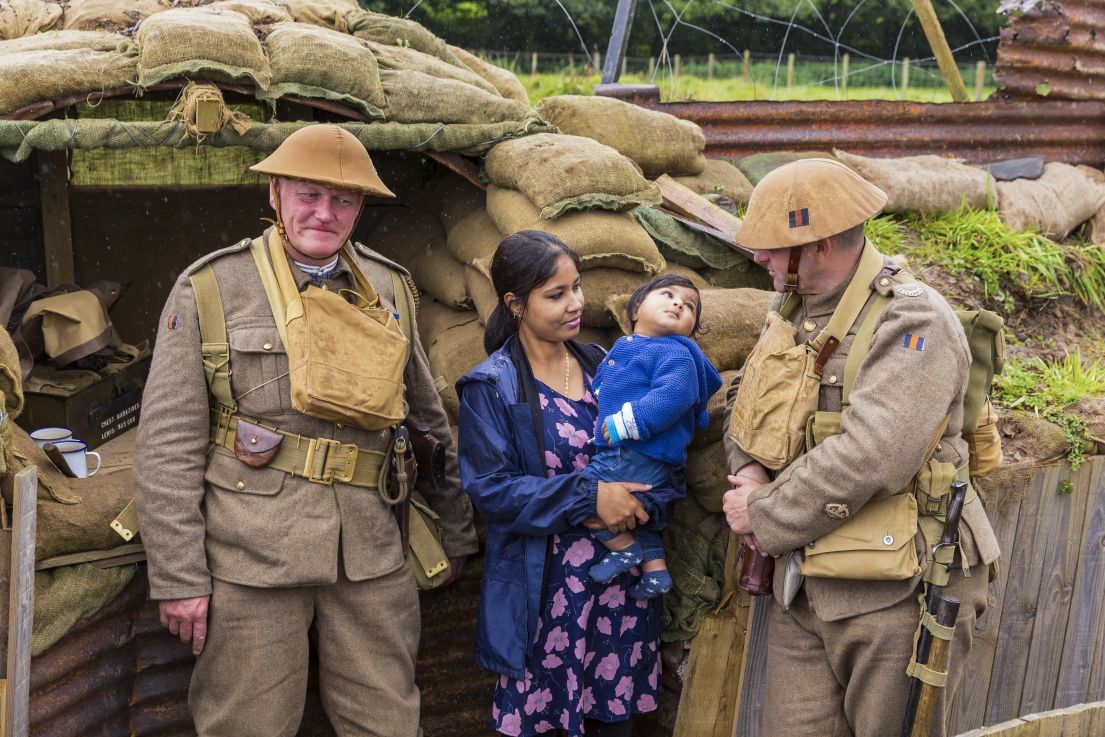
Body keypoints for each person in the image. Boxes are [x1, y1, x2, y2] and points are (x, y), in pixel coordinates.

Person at [135, 124, 478, 737]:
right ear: (275, 192)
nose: (325, 213)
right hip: (251, 556)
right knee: (248, 726)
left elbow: (425, 419)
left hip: (371, 550)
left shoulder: (390, 285)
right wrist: (179, 577)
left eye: (343, 200)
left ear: (361, 207)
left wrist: (454, 531)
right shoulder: (211, 288)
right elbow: (167, 448)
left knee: (388, 724)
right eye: (308, 195)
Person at [721, 158, 999, 737]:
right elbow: (749, 402)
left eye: (774, 247)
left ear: (819, 246)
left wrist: (765, 512)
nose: (759, 258)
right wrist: (747, 470)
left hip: (898, 589)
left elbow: (873, 454)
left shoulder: (912, 317)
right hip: (805, 584)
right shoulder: (792, 308)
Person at [456, 231, 684, 737]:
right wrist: (592, 497)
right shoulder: (493, 386)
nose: (575, 303)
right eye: (556, 295)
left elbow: (661, 449)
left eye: (576, 288)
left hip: (618, 596)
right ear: (515, 304)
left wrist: (648, 503)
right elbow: (491, 490)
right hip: (548, 603)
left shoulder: (606, 365)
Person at [584, 275, 722, 600]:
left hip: (635, 450)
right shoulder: (630, 346)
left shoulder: (675, 353)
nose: (678, 304)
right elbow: (611, 381)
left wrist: (627, 422)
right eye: (668, 295)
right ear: (635, 311)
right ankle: (655, 569)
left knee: (586, 499)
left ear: (690, 328)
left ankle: (626, 551)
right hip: (642, 455)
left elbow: (673, 396)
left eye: (689, 306)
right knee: (636, 516)